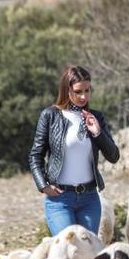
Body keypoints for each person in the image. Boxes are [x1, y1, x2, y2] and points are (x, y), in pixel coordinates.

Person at [29, 65, 120, 236]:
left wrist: (98, 133)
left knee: (87, 253)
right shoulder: (50, 115)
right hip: (60, 200)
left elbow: (114, 156)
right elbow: (35, 156)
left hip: (90, 199)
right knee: (68, 250)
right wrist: (43, 185)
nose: (83, 96)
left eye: (87, 90)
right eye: (78, 91)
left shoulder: (96, 117)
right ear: (66, 90)